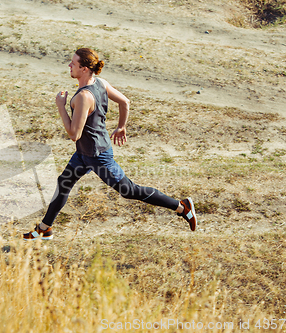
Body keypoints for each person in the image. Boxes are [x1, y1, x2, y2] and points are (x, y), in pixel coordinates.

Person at [23, 48, 197, 240]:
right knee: (63, 183)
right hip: (83, 154)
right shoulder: (101, 83)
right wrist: (121, 126)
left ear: (84, 68)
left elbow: (74, 134)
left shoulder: (83, 97)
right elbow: (125, 102)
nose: (69, 65)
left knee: (129, 191)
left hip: (97, 157)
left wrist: (61, 107)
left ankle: (181, 207)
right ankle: (45, 228)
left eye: (73, 63)